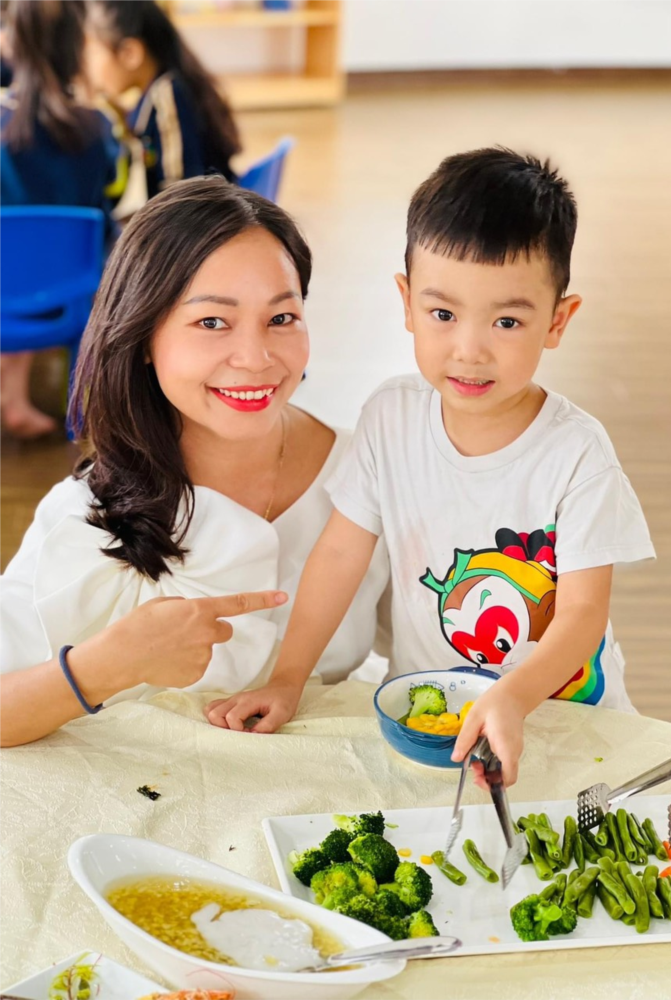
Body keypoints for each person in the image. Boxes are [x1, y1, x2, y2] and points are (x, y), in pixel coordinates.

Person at [205, 146, 655, 785]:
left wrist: (511, 698)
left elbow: (583, 615)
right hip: (432, 720)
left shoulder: (577, 453)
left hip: (564, 722)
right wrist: (287, 678)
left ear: (558, 321)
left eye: (507, 321)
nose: (469, 350)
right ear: (407, 301)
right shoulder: (390, 418)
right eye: (443, 314)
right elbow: (339, 555)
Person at [0, 177, 388, 748]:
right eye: (211, 322)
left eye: (282, 318)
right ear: (143, 335)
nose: (256, 358)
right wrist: (106, 665)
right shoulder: (86, 512)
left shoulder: (372, 469)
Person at [0, 0, 120, 439]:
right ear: (77, 47)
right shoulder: (98, 125)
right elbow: (113, 195)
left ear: (11, 43)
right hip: (72, 294)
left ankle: (13, 394)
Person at [84, 0, 240, 202]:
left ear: (130, 54)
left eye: (93, 52)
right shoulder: (169, 87)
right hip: (212, 210)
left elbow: (180, 198)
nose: (88, 65)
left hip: (205, 217)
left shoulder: (167, 98)